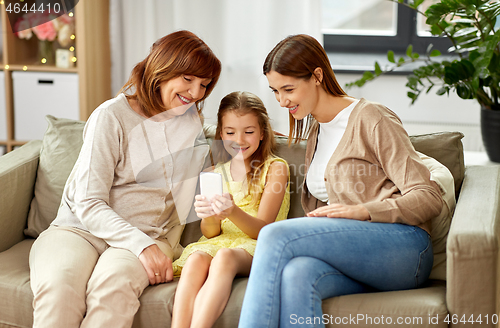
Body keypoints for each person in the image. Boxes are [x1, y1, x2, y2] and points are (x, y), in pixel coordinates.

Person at [238, 34, 445, 328]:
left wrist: (364, 211)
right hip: (358, 255)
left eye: (289, 89)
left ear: (317, 76)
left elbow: (428, 195)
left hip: (405, 249)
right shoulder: (316, 131)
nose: (282, 101)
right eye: (274, 91)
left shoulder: (371, 118)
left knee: (274, 235)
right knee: (297, 273)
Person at [29, 30, 221, 328]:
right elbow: (89, 201)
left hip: (142, 236)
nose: (196, 92)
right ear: (162, 68)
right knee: (59, 291)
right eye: (188, 79)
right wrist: (144, 247)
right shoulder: (111, 116)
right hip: (78, 231)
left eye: (204, 85)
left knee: (112, 293)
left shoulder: (190, 123)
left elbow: (203, 179)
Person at [171, 91, 290, 328]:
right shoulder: (214, 173)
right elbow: (211, 234)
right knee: (195, 259)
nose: (240, 140)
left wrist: (232, 211)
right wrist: (209, 216)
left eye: (249, 132)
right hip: (221, 242)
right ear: (220, 134)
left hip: (258, 244)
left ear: (262, 132)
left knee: (224, 257)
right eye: (230, 132)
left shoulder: (275, 168)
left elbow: (263, 230)